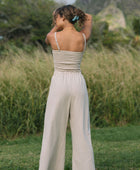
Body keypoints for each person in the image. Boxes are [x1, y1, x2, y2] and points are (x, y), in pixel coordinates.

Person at [39, 4, 95, 170]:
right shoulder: (83, 37)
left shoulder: (54, 37)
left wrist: (59, 23)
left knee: (53, 125)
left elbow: (48, 35)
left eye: (55, 17)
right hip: (78, 82)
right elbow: (89, 17)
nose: (54, 21)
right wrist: (74, 16)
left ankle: (50, 166)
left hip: (60, 83)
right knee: (82, 129)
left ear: (62, 18)